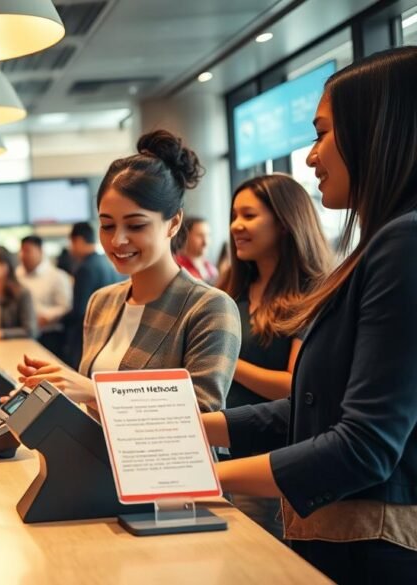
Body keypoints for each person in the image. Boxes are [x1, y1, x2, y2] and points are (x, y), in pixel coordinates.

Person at [203, 46, 417, 583]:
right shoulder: (381, 245)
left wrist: (201, 475)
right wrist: (192, 426)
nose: (311, 157)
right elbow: (313, 406)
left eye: (321, 134)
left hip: (374, 549)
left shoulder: (404, 243)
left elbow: (364, 446)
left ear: (375, 131)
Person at [16, 130, 240, 414]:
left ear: (174, 223)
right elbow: (96, 413)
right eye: (107, 225)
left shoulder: (209, 308)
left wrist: (94, 391)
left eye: (136, 225)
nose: (117, 240)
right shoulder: (102, 302)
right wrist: (50, 398)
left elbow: (203, 414)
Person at [216, 174, 333, 538]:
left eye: (249, 216)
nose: (236, 226)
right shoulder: (230, 289)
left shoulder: (312, 294)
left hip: (269, 462)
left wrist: (225, 361)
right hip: (219, 450)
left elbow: (295, 386)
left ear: (284, 222)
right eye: (234, 215)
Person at [61, 221, 123, 368]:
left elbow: (79, 310)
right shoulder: (107, 262)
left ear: (78, 241)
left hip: (87, 337)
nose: (71, 248)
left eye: (71, 243)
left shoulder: (85, 268)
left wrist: (59, 320)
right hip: (110, 332)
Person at [16, 234, 72, 353]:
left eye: (27, 251)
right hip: (22, 333)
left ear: (40, 251)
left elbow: (65, 306)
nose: (23, 255)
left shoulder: (57, 276)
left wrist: (47, 316)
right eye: (21, 251)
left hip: (49, 335)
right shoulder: (17, 275)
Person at [175, 216, 219, 284]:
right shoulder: (177, 267)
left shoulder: (212, 269)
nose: (206, 242)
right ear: (186, 237)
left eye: (208, 235)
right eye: (200, 235)